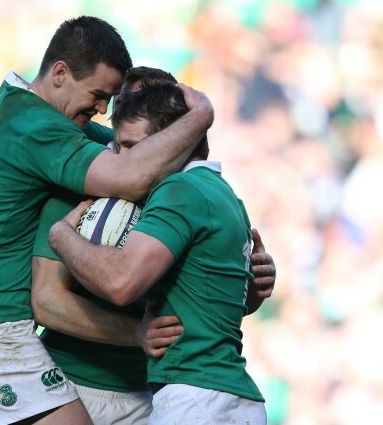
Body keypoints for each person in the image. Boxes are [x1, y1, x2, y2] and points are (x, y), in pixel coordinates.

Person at [0, 16, 214, 425]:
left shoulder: (7, 113)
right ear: (60, 73)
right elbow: (132, 173)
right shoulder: (39, 129)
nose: (102, 110)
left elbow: (129, 148)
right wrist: (200, 117)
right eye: (98, 94)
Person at [31, 67, 276, 424]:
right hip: (90, 384)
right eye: (118, 143)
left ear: (174, 137)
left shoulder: (180, 192)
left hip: (185, 395)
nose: (122, 156)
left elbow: (122, 282)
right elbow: (46, 300)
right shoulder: (225, 195)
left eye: (132, 145)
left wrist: (62, 236)